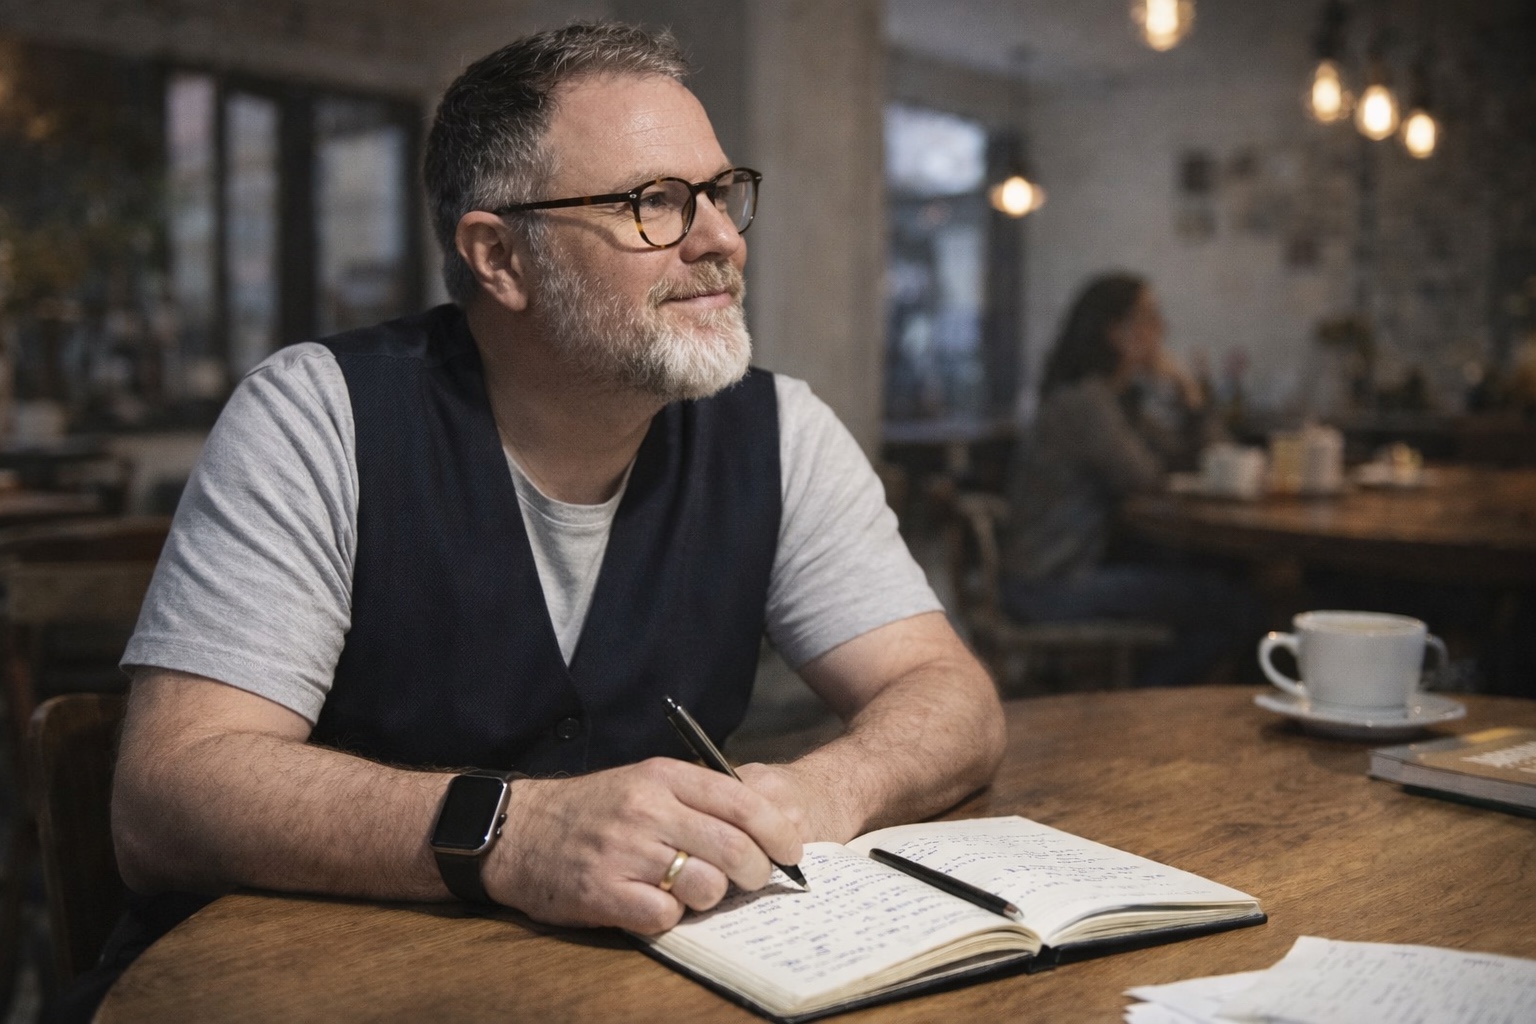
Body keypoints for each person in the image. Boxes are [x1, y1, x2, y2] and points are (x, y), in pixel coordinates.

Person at [83, 20, 1005, 1018]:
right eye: (653, 202)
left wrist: (816, 794)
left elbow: (949, 695)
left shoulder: (778, 431)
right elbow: (168, 796)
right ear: (500, 258)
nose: (720, 240)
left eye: (720, 193)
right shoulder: (320, 416)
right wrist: (515, 833)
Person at [1000, 272, 1263, 688]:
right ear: (1116, 332)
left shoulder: (1113, 398)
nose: (1163, 329)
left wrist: (1192, 402)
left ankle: (1138, 693)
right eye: (1150, 317)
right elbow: (1145, 477)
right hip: (1052, 584)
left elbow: (1206, 456)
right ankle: (1139, 704)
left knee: (1220, 584)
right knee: (1233, 606)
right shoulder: (1087, 401)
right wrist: (1186, 391)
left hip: (1062, 572)